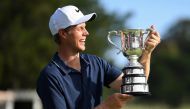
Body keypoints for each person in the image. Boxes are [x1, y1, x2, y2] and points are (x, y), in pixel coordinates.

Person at [36, 5, 161, 109]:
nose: (86, 33)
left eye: (85, 27)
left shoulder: (96, 63)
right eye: (80, 28)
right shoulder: (50, 76)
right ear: (63, 33)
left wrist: (147, 53)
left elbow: (134, 85)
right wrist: (106, 107)